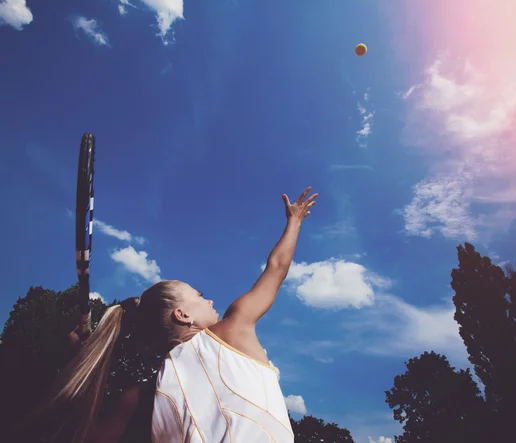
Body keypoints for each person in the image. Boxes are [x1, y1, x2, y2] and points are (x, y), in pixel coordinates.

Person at [37, 187, 317, 443]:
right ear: (182, 315)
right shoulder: (232, 330)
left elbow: (88, 435)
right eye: (199, 294)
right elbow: (277, 266)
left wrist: (72, 361)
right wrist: (294, 221)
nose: (208, 300)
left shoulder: (141, 397)